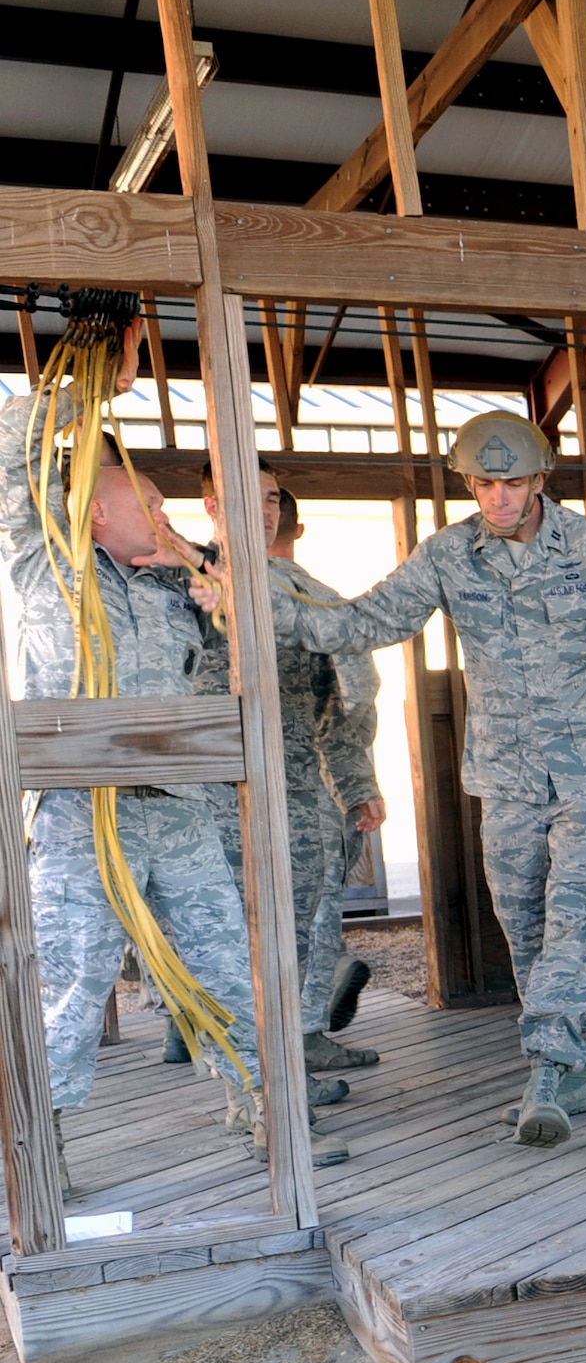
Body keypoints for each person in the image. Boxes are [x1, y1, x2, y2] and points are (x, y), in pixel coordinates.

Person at [266, 411, 586, 1148]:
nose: (498, 498)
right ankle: (577, 1062)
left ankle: (549, 1070)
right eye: (485, 483)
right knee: (522, 917)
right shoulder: (449, 555)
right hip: (507, 775)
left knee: (575, 904)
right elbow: (365, 621)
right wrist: (259, 600)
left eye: (514, 483)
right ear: (469, 482)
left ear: (540, 481)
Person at [0, 315, 269, 1190]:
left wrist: (200, 559)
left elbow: (272, 631)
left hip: (178, 812)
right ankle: (49, 1151)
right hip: (82, 814)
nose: (160, 512)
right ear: (98, 509)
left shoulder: (180, 587)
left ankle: (259, 1112)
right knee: (74, 989)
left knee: (226, 964)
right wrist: (86, 389)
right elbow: (11, 452)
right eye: (147, 503)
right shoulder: (48, 557)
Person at [194, 460, 371, 1128]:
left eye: (271, 498)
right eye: (246, 496)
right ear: (212, 503)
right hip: (214, 802)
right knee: (227, 948)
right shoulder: (183, 581)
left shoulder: (301, 593)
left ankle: (283, 1072)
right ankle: (248, 1092)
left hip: (295, 799)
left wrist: (355, 785)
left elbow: (339, 701)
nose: (263, 510)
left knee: (292, 944)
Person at [265, 489, 385, 1055]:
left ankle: (185, 1029)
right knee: (312, 914)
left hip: (203, 789)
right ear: (301, 529)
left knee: (217, 914)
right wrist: (359, 785)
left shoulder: (194, 588)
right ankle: (305, 1036)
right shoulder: (322, 602)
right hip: (308, 786)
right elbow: (353, 702)